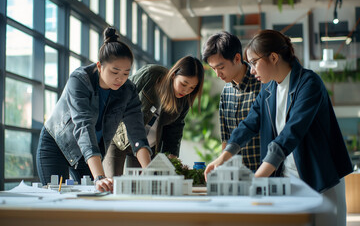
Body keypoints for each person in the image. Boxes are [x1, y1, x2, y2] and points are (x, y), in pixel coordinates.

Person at [204, 29, 353, 226]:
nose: (252, 70)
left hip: (320, 178)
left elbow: (290, 134)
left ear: (273, 57)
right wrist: (222, 157)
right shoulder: (268, 89)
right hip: (288, 178)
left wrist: (256, 179)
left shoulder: (309, 83)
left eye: (255, 63)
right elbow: (249, 124)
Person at [36, 26, 152, 192]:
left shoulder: (128, 90)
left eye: (126, 73)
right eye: (115, 71)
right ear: (99, 66)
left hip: (90, 152)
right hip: (58, 144)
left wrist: (150, 172)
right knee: (55, 197)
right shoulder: (80, 80)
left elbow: (137, 133)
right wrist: (99, 176)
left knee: (96, 195)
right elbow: (83, 126)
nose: (120, 78)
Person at [103, 55, 204, 177]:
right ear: (173, 75)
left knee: (139, 188)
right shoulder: (152, 74)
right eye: (184, 84)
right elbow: (122, 93)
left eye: (192, 88)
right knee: (114, 183)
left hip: (147, 147)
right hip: (119, 138)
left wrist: (171, 158)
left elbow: (175, 131)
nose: (186, 90)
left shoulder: (184, 101)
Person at [202, 31, 261, 171]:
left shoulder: (262, 84)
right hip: (237, 175)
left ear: (237, 58)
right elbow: (225, 138)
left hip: (264, 173)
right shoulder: (226, 92)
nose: (217, 74)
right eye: (213, 69)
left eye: (221, 67)